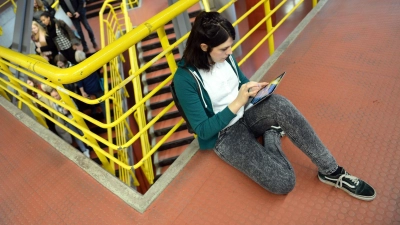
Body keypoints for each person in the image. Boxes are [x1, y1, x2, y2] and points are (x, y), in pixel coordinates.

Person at [173, 11, 376, 201]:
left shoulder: (225, 57)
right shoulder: (185, 79)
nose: (230, 51)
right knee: (284, 183)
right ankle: (272, 135)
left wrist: (252, 88)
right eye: (224, 48)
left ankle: (331, 171)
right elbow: (203, 130)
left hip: (247, 111)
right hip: (225, 135)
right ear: (204, 47)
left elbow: (241, 81)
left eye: (230, 45)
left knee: (280, 103)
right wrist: (237, 102)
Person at [50, 88, 90, 157]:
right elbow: (59, 114)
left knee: (83, 132)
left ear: (59, 93)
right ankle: (84, 150)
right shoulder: (55, 104)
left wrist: (68, 109)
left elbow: (76, 108)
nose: (55, 98)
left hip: (76, 119)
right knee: (76, 135)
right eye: (53, 96)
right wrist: (65, 110)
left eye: (56, 95)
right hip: (68, 121)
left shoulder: (67, 99)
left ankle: (89, 143)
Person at [75, 50, 105, 118]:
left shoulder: (78, 68)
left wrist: (82, 92)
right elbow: (99, 66)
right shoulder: (90, 63)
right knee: (103, 103)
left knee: (92, 104)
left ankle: (96, 117)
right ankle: (106, 116)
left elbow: (80, 82)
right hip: (97, 87)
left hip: (88, 90)